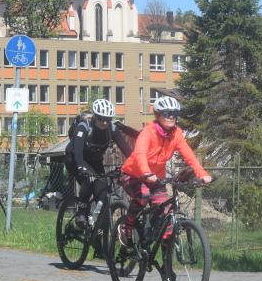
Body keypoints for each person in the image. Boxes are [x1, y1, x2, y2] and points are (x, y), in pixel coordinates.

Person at [119, 96, 212, 247]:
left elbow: (189, 155)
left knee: (166, 211)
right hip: (133, 174)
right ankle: (127, 227)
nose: (171, 117)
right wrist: (146, 173)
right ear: (157, 114)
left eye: (174, 114)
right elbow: (139, 154)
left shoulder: (176, 134)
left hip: (156, 178)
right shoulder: (148, 132)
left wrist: (202, 174)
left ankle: (165, 264)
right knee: (143, 195)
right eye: (167, 113)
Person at [65, 98, 132, 226]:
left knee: (102, 193)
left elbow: (128, 151)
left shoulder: (112, 129)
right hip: (75, 158)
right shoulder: (84, 126)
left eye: (108, 119)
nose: (105, 122)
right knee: (89, 180)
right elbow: (77, 150)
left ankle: (98, 228)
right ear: (95, 117)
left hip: (95, 161)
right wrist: (81, 167)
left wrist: (135, 167)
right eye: (101, 118)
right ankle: (81, 212)